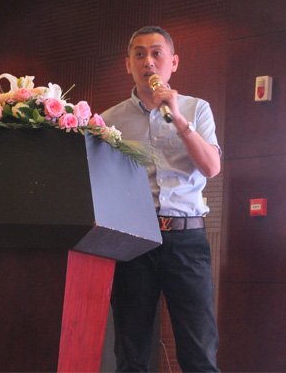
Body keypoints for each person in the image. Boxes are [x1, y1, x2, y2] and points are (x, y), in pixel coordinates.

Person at [101, 26, 221, 372]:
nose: (148, 62)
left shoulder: (196, 109)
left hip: (186, 239)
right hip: (135, 241)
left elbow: (211, 167)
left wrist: (178, 119)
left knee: (199, 350)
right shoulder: (109, 121)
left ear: (173, 62)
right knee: (132, 352)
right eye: (139, 54)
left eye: (156, 53)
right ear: (128, 64)